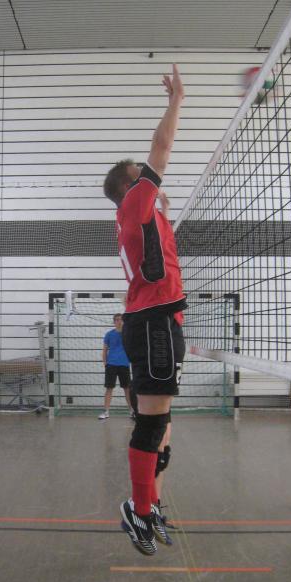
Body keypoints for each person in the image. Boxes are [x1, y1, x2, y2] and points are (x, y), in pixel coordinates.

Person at [103, 63, 186, 555]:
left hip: (158, 319)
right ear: (130, 186)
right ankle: (137, 509)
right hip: (154, 323)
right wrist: (176, 101)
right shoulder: (135, 202)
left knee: (161, 429)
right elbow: (162, 146)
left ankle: (149, 504)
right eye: (141, 175)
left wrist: (164, 213)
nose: (149, 177)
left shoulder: (139, 214)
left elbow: (155, 244)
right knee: (152, 425)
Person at [98, 314, 133, 419]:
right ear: (114, 322)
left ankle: (132, 411)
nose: (119, 322)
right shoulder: (109, 334)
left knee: (127, 389)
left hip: (124, 365)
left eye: (121, 320)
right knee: (109, 388)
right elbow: (105, 350)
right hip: (111, 365)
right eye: (117, 320)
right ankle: (106, 412)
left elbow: (133, 348)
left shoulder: (128, 334)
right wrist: (105, 363)